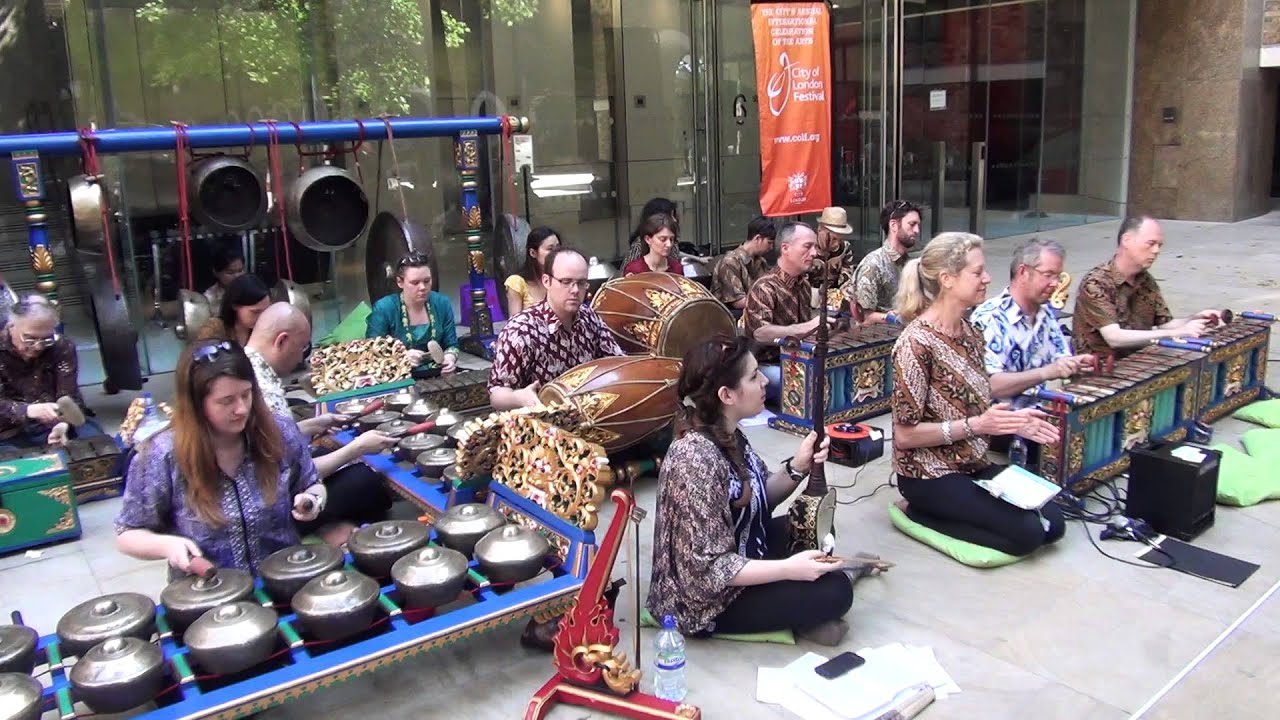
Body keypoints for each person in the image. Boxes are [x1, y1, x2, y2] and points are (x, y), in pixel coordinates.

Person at [648, 336, 888, 646]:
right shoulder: (693, 459)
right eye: (753, 376)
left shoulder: (729, 435)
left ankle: (803, 609)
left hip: (737, 551)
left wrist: (798, 465)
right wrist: (789, 569)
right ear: (726, 395)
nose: (764, 382)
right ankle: (808, 613)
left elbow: (761, 500)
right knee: (835, 591)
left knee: (811, 526)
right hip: (701, 603)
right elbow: (708, 570)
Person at [889, 232, 1066, 557]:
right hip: (928, 474)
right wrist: (978, 426)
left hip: (972, 464)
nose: (987, 278)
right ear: (947, 279)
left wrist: (1015, 421)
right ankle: (916, 511)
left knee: (1053, 522)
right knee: (1027, 535)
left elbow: (977, 405)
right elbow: (904, 436)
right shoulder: (915, 344)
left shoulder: (971, 334)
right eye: (977, 272)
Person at [115, 339, 327, 577]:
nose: (242, 409)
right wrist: (167, 545)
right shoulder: (161, 454)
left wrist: (312, 501)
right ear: (196, 404)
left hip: (284, 579)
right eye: (226, 401)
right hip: (208, 595)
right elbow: (128, 533)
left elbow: (312, 484)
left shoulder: (280, 432)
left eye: (246, 395)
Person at [245, 303, 394, 544]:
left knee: (331, 453)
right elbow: (290, 472)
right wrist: (357, 448)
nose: (303, 357)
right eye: (302, 348)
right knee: (366, 481)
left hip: (270, 478)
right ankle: (339, 536)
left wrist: (314, 424)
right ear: (281, 341)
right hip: (273, 505)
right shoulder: (261, 391)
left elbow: (273, 439)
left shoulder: (245, 365)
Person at [488, 247, 624, 410]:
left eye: (581, 283)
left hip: (587, 417)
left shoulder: (589, 317)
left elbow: (618, 362)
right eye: (566, 282)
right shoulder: (521, 329)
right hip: (541, 426)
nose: (575, 290)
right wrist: (518, 397)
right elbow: (496, 393)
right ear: (547, 281)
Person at [970, 238, 1097, 407]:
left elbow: (1060, 359)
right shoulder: (991, 317)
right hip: (999, 425)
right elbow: (989, 386)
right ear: (1023, 272)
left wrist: (1075, 364)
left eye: (1058, 276)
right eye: (1048, 275)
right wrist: (1046, 372)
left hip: (1036, 417)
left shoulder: (1046, 316)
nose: (1055, 283)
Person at [1072, 216, 1219, 360]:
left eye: (1159, 245)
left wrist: (1195, 319)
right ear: (1126, 240)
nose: (1156, 251)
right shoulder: (1095, 283)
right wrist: (1178, 332)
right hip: (1098, 372)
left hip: (1137, 363)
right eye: (1151, 243)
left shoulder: (1146, 280)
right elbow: (1114, 338)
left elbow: (1165, 324)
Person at [0, 295, 103, 450]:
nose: (38, 347)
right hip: (8, 430)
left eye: (46, 339)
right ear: (11, 326)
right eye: (30, 339)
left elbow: (68, 397)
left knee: (99, 447)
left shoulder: (62, 346)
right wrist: (28, 410)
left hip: (57, 423)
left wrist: (62, 425)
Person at [742, 222, 820, 402]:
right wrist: (805, 327)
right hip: (764, 367)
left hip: (796, 361)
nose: (814, 253)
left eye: (815, 247)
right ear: (785, 248)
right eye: (808, 246)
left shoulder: (804, 285)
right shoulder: (764, 287)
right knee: (812, 386)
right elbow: (760, 334)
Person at [367, 253, 461, 376]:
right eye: (415, 283)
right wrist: (400, 357)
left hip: (438, 371)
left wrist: (449, 358)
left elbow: (452, 345)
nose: (423, 287)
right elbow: (371, 352)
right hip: (398, 375)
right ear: (400, 282)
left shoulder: (441, 303)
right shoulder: (385, 308)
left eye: (427, 281)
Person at [847, 200, 921, 324]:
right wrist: (891, 317)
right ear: (893, 225)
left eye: (918, 225)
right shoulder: (873, 265)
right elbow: (863, 317)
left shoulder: (911, 264)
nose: (917, 230)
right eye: (912, 224)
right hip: (877, 339)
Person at [712, 216, 775, 314]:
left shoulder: (760, 261)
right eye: (769, 243)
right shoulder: (730, 262)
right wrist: (770, 302)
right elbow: (737, 302)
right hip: (729, 316)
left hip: (754, 309)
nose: (771, 247)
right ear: (758, 238)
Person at [196, 273, 272, 347]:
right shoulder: (215, 329)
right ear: (235, 305)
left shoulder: (269, 330)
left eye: (265, 311)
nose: (261, 317)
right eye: (255, 312)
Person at [505, 226, 561, 315]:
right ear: (533, 253)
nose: (556, 253)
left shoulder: (561, 278)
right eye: (550, 249)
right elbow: (514, 324)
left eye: (558, 248)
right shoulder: (517, 283)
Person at [623, 197, 679, 265]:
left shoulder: (673, 243)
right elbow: (626, 272)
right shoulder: (639, 245)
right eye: (671, 215)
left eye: (671, 239)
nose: (675, 220)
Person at [204, 243, 246, 310]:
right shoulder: (208, 298)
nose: (237, 276)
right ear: (216, 272)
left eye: (240, 271)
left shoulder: (252, 289)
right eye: (230, 272)